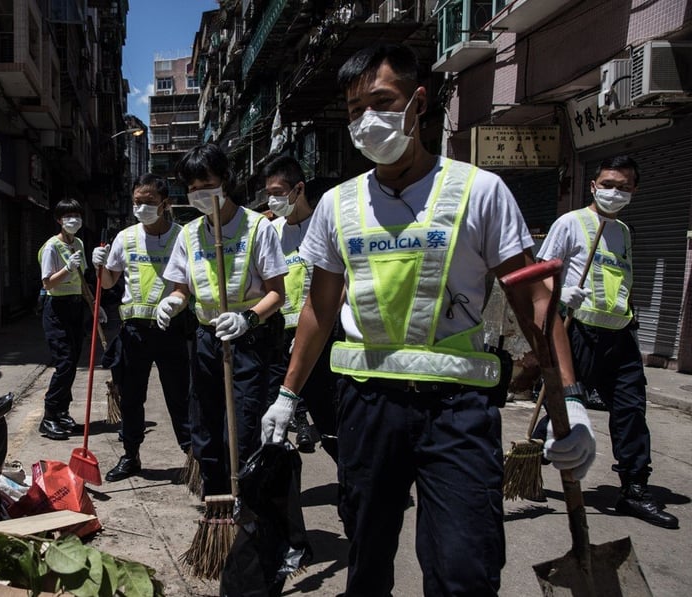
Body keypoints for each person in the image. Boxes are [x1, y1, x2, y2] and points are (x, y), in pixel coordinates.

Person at [259, 43, 597, 595]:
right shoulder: (337, 205)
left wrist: (572, 399)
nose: (366, 121)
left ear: (418, 103)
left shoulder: (478, 191)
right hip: (368, 408)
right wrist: (288, 394)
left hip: (457, 412)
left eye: (381, 101)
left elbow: (533, 298)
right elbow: (319, 308)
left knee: (463, 568)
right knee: (366, 560)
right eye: (353, 110)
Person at [536, 156, 678, 529]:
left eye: (625, 186)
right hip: (579, 330)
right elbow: (541, 274)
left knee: (631, 412)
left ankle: (634, 489)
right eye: (609, 184)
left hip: (621, 335)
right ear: (594, 185)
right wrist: (563, 292)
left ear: (635, 190)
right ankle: (531, 460)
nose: (616, 192)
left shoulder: (624, 232)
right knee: (562, 404)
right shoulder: (571, 223)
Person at [157, 143, 288, 497]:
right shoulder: (189, 234)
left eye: (207, 184)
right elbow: (182, 286)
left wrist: (248, 318)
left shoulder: (257, 227)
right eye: (193, 188)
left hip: (248, 341)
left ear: (226, 181)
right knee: (205, 427)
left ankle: (246, 502)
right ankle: (216, 500)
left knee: (243, 429)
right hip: (206, 339)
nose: (200, 194)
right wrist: (173, 301)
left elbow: (278, 292)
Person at [92, 174, 192, 481]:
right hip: (134, 333)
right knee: (132, 396)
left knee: (181, 397)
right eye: (137, 202)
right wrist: (100, 265)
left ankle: (194, 459)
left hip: (173, 329)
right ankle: (130, 455)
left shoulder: (184, 236)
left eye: (148, 202)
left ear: (166, 203)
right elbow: (109, 282)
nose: (142, 208)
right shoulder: (126, 238)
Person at [261, 155, 339, 458]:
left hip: (322, 335)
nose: (273, 199)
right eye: (269, 193)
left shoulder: (326, 226)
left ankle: (348, 474)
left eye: (279, 192)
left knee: (328, 414)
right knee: (273, 418)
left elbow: (340, 283)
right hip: (279, 336)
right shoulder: (270, 231)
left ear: (299, 189)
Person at [37, 198, 90, 440]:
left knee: (73, 362)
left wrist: (94, 305)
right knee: (64, 363)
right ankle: (49, 417)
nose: (74, 220)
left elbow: (82, 279)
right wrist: (67, 268)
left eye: (77, 216)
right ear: (59, 220)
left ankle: (62, 413)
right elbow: (47, 282)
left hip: (76, 306)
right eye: (68, 216)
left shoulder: (78, 242)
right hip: (56, 307)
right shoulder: (51, 246)